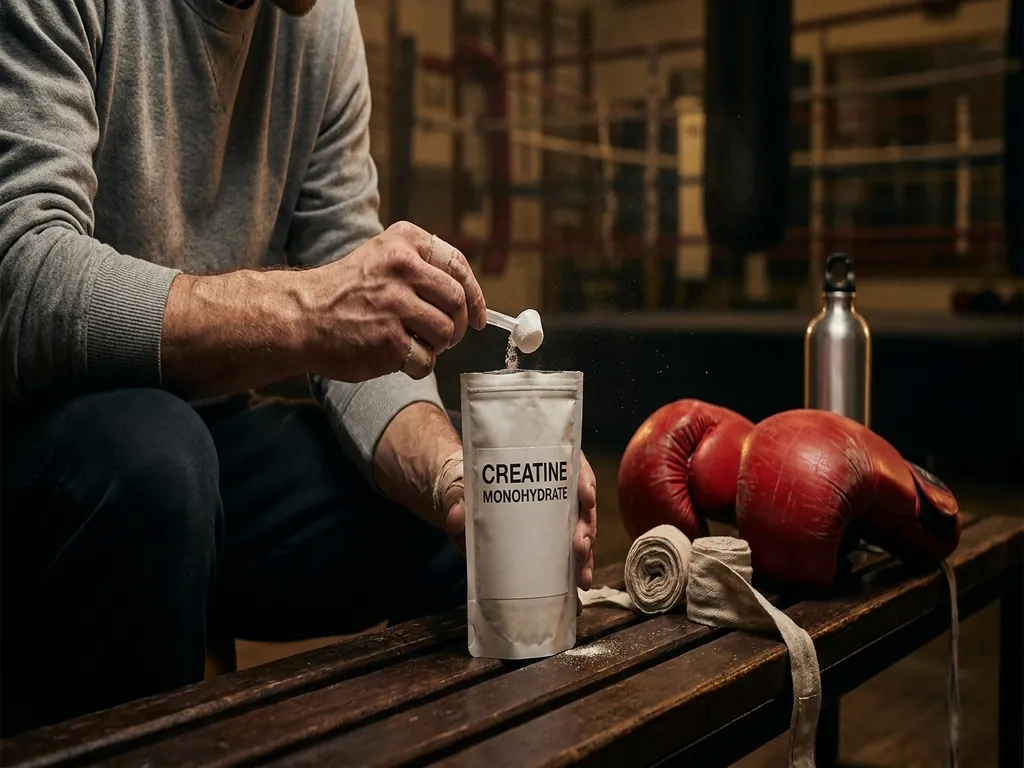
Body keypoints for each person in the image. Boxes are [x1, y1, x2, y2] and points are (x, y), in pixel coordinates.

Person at [0, 0, 598, 736]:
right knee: (156, 460)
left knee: (448, 526)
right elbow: (21, 278)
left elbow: (363, 320)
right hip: (39, 436)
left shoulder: (320, 24)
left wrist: (454, 476)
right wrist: (305, 310)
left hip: (200, 442)